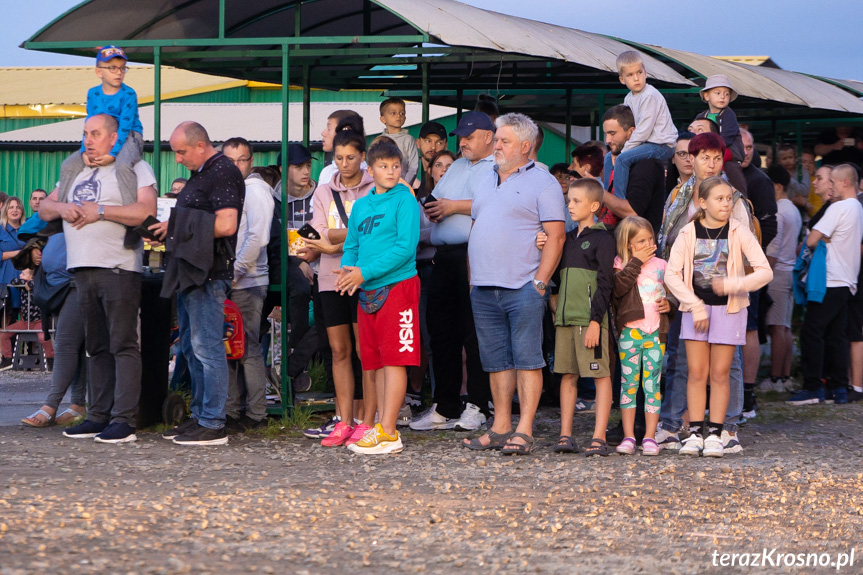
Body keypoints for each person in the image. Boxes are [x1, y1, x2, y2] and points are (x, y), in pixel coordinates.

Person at [39, 113, 157, 444]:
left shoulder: (133, 168)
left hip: (117, 267)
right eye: (85, 133)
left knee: (122, 344)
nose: (88, 139)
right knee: (96, 347)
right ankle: (98, 415)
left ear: (114, 137)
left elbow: (145, 211)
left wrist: (100, 211)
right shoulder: (77, 168)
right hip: (81, 269)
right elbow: (44, 209)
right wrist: (62, 208)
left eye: (95, 133)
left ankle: (124, 420)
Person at [461, 112, 565, 455]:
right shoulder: (484, 178)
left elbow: (556, 235)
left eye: (503, 141)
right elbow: (477, 227)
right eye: (496, 139)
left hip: (523, 285)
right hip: (484, 287)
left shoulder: (544, 182)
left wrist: (540, 282)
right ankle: (501, 426)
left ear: (525, 145)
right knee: (496, 361)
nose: (496, 146)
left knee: (527, 359)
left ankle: (525, 429)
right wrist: (473, 279)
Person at [657, 133, 759, 453]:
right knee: (682, 360)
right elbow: (667, 239)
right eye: (704, 158)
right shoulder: (679, 195)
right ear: (691, 160)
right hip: (685, 292)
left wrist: (730, 285)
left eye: (717, 158)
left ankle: (727, 428)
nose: (711, 164)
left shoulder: (735, 199)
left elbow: (746, 253)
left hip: (726, 297)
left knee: (728, 365)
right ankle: (677, 425)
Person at [154, 121, 244, 446]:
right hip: (192, 272)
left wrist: (178, 224)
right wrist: (171, 225)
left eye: (181, 152)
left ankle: (213, 421)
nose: (177, 159)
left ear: (200, 145)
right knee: (192, 348)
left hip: (209, 272)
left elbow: (226, 223)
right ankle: (199, 416)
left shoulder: (222, 172)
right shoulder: (203, 173)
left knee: (207, 348)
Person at [335, 138, 420, 454]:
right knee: (376, 360)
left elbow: (405, 248)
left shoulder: (405, 201)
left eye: (396, 166)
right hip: (366, 291)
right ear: (369, 170)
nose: (391, 171)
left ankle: (389, 431)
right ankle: (380, 427)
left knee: (396, 359)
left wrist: (363, 272)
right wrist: (348, 270)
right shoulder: (361, 205)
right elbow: (352, 244)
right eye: (383, 166)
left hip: (399, 288)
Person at [412, 111, 495, 432]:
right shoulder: (458, 165)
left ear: (488, 136)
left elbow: (492, 203)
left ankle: (478, 405)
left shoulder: (496, 167)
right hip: (443, 257)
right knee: (442, 331)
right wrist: (435, 209)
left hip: (475, 256)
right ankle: (445, 406)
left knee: (474, 333)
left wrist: (452, 206)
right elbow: (437, 199)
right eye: (461, 136)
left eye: (470, 136)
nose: (463, 142)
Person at [304, 122, 376, 447]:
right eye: (339, 158)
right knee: (339, 350)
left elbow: (376, 233)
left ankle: (368, 421)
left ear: (363, 157)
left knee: (365, 351)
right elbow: (318, 235)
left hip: (365, 277)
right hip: (330, 278)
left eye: (351, 157)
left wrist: (333, 242)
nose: (345, 164)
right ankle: (343, 421)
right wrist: (345, 238)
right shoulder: (323, 191)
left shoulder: (377, 189)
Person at [543, 178, 614, 456]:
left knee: (600, 375)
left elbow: (606, 282)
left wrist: (596, 321)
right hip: (565, 320)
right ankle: (565, 434)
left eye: (576, 201)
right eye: (568, 200)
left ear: (594, 206)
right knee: (568, 375)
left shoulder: (603, 239)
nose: (569, 205)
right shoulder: (567, 239)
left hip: (590, 322)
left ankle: (599, 436)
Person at [788, 164, 863, 406]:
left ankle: (812, 388)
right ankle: (838, 388)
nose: (830, 186)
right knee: (836, 335)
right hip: (847, 280)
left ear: (844, 183)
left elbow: (810, 241)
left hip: (829, 279)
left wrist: (821, 236)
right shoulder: (857, 207)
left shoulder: (839, 207)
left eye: (833, 182)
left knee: (812, 331)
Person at [221, 137, 274, 431]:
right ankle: (232, 410)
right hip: (230, 280)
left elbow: (258, 237)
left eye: (242, 160)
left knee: (248, 346)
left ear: (251, 161)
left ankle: (256, 414)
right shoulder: (231, 189)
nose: (236, 165)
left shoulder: (256, 191)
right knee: (227, 346)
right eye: (230, 160)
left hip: (249, 281)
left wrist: (235, 272)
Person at [612, 216, 674, 456]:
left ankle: (649, 437)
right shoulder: (621, 264)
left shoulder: (662, 265)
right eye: (641, 241)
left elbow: (674, 292)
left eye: (651, 239)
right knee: (628, 385)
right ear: (628, 244)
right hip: (630, 332)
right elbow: (617, 289)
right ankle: (628, 436)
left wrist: (670, 304)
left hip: (656, 334)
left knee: (652, 385)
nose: (649, 244)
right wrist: (635, 262)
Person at [57, 46, 143, 215]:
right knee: (67, 165)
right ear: (99, 72)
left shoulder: (129, 94)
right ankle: (60, 212)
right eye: (112, 68)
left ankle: (131, 215)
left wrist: (112, 154)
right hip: (101, 137)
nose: (118, 72)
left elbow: (124, 128)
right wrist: (84, 151)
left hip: (129, 136)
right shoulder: (93, 94)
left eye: (122, 68)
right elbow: (90, 126)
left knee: (124, 165)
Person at [20, 233, 88, 427]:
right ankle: (77, 404)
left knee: (66, 344)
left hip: (76, 280)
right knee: (77, 346)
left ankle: (50, 405)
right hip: (58, 285)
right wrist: (35, 246)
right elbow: (30, 228)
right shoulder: (57, 209)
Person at [605, 51, 676, 201]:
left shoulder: (650, 95)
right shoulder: (629, 98)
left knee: (622, 159)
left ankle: (620, 202)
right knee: (607, 157)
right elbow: (627, 125)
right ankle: (607, 199)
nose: (636, 78)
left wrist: (623, 150)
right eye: (630, 75)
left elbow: (643, 130)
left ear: (646, 72)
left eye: (639, 72)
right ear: (622, 79)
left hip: (662, 145)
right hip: (644, 143)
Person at [761, 166, 802, 403]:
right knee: (784, 326)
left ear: (777, 186)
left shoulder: (778, 211)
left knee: (777, 326)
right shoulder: (793, 209)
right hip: (790, 271)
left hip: (777, 272)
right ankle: (784, 376)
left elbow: (773, 251)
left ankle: (776, 378)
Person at [600, 105, 667, 235]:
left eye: (612, 133)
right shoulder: (611, 159)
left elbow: (632, 212)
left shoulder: (646, 165)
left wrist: (595, 190)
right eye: (606, 134)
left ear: (631, 132)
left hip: (637, 249)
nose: (607, 140)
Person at [694, 74, 747, 195]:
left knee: (731, 169)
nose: (722, 96)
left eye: (726, 94)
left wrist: (711, 148)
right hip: (707, 153)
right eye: (717, 93)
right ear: (707, 96)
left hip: (728, 152)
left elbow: (727, 137)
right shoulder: (701, 117)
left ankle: (742, 197)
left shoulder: (729, 115)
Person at [0, 268, 54, 369]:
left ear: (31, 277)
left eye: (23, 274)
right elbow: (13, 281)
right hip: (25, 322)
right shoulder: (22, 286)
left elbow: (42, 283)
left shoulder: (39, 286)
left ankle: (51, 358)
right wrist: (25, 282)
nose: (20, 275)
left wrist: (32, 284)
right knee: (4, 333)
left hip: (39, 321)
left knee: (43, 337)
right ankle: (7, 358)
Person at [0, 197, 25, 334]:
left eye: (18, 207)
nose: (15, 210)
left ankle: (27, 353)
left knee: (29, 321)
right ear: (6, 211)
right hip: (5, 282)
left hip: (25, 282)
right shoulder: (1, 230)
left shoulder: (27, 229)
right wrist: (17, 253)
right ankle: (4, 354)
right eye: (11, 207)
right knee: (5, 321)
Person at [379, 97, 419, 185]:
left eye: (402, 113)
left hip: (402, 188)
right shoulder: (379, 141)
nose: (398, 116)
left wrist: (404, 185)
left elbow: (413, 167)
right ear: (383, 119)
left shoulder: (408, 139)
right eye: (393, 113)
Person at [414, 121, 448, 196]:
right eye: (428, 141)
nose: (433, 147)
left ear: (445, 146)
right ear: (418, 143)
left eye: (439, 143)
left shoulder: (449, 176)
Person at [665, 131, 695, 197]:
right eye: (682, 154)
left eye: (693, 154)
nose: (688, 159)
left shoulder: (710, 186)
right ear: (673, 158)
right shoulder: (662, 187)